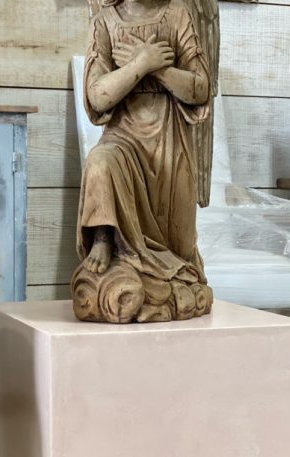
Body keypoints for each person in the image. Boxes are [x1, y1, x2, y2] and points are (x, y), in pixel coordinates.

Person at [74, 0, 213, 322]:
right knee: (100, 161)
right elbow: (97, 96)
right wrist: (141, 63)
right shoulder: (104, 22)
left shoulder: (177, 14)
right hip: (123, 136)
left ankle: (171, 280)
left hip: (169, 140)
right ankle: (104, 237)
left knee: (179, 244)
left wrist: (158, 69)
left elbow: (200, 89)